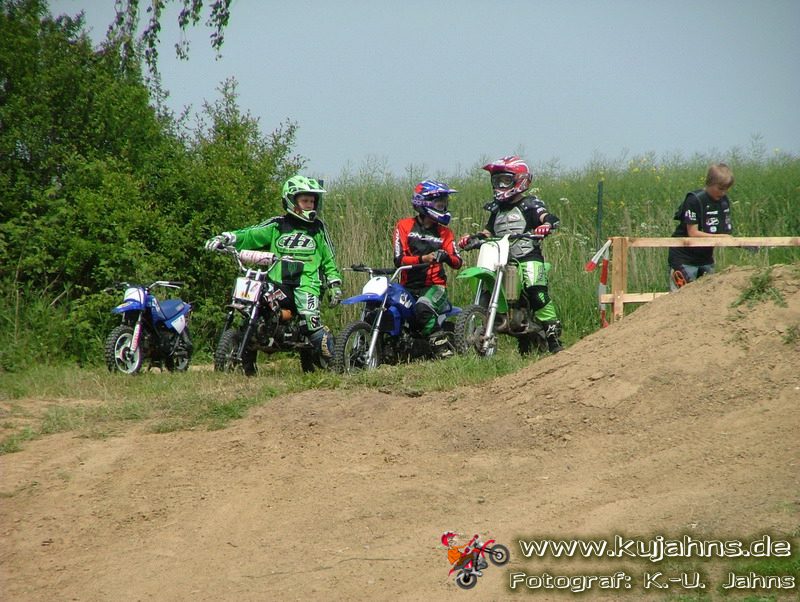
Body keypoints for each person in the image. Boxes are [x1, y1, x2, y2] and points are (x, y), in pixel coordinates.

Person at [204, 175, 343, 360]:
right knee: (256, 303)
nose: (309, 205)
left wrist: (334, 283)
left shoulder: (318, 228)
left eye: (312, 201)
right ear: (291, 201)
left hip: (307, 283)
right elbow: (251, 234)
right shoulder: (277, 225)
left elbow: (329, 259)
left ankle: (335, 361)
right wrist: (227, 238)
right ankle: (250, 353)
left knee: (311, 323)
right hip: (277, 282)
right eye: (305, 201)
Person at [458, 155, 563, 354]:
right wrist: (473, 238)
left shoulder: (529, 204)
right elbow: (488, 232)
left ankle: (552, 335)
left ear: (519, 180)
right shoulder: (496, 209)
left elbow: (546, 217)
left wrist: (546, 225)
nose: (500, 185)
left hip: (527, 255)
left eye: (505, 180)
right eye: (497, 181)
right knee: (487, 285)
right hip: (501, 259)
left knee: (536, 292)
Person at [393, 179, 463, 357]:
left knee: (422, 308)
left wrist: (446, 256)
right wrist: (423, 259)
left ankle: (442, 347)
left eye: (444, 203)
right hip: (408, 286)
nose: (443, 207)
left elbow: (458, 262)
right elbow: (398, 259)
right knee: (389, 308)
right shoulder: (404, 226)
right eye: (439, 203)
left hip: (435, 287)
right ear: (424, 203)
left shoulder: (445, 232)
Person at [668, 163, 734, 291]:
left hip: (706, 258)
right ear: (710, 183)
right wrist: (723, 237)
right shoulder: (694, 200)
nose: (723, 192)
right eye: (720, 188)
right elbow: (693, 233)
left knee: (707, 296)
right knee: (682, 296)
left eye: (726, 189)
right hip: (684, 258)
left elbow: (724, 231)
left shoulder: (723, 201)